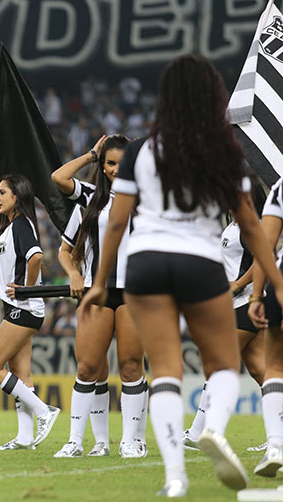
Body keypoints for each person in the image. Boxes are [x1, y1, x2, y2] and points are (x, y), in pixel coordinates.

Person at [80, 54, 283, 497]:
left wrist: (99, 280)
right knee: (224, 365)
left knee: (166, 371)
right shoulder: (225, 151)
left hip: (147, 263)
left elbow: (116, 221)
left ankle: (174, 477)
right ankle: (213, 428)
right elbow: (251, 224)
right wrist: (276, 280)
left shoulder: (140, 150)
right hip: (201, 262)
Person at [51, 135, 149, 459]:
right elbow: (59, 178)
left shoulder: (148, 198)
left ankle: (133, 440)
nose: (115, 170)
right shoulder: (91, 199)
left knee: (132, 367)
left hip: (136, 291)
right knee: (88, 368)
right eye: (110, 163)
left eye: (123, 163)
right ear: (102, 165)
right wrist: (91, 154)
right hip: (97, 291)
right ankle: (76, 441)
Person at [0, 174, 60, 450]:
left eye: (2, 192)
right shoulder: (11, 228)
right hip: (20, 308)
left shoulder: (22, 224)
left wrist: (25, 287)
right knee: (20, 374)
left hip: (22, 308)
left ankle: (45, 411)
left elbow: (36, 256)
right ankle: (25, 438)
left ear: (17, 196)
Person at [184, 176, 268, 452]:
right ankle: (278, 437)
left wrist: (238, 285)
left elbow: (263, 260)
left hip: (245, 302)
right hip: (240, 303)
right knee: (261, 370)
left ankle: (198, 433)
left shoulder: (248, 224)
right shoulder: (233, 223)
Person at [248, 176, 283, 476]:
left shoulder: (281, 186)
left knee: (275, 367)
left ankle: (275, 445)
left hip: (280, 280)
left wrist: (257, 295)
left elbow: (265, 245)